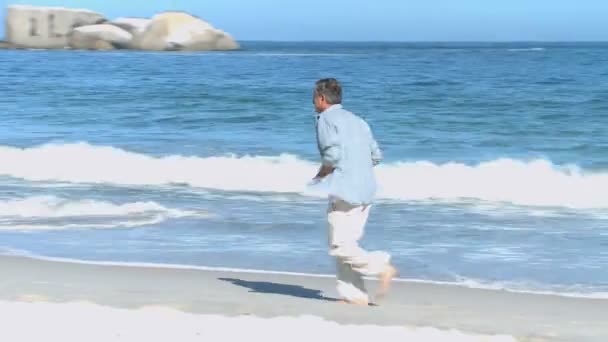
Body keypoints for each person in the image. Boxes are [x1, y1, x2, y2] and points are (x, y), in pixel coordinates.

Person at [311, 78, 397, 305]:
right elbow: (376, 156)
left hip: (345, 190)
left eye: (314, 98)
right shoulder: (359, 121)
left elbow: (331, 156)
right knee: (348, 243)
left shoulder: (325, 119)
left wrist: (320, 176)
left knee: (339, 246)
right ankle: (355, 296)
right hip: (367, 188)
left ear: (321, 99)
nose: (313, 102)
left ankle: (381, 267)